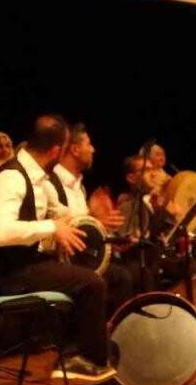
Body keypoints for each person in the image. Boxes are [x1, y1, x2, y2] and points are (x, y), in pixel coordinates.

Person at [0, 116, 119, 385]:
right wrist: (51, 228)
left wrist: (92, 219)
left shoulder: (39, 181)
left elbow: (61, 214)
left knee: (93, 277)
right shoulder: (10, 178)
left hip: (28, 265)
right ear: (57, 150)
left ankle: (75, 358)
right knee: (90, 283)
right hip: (9, 274)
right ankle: (90, 371)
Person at [44, 123, 135, 311]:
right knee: (122, 277)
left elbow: (85, 227)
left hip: (81, 258)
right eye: (89, 144)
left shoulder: (79, 186)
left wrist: (108, 238)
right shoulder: (52, 182)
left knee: (132, 269)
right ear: (75, 149)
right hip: (60, 260)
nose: (93, 149)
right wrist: (97, 224)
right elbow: (66, 227)